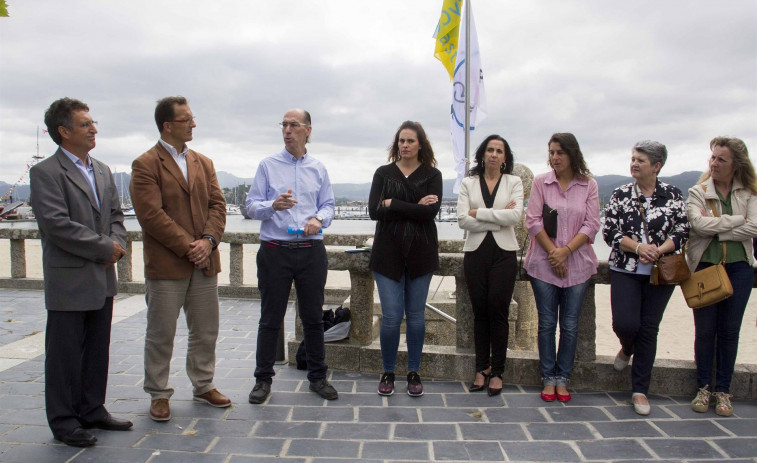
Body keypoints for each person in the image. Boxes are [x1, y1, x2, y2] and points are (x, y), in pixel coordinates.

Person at [31, 98, 132, 447]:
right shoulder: (45, 173)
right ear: (64, 131)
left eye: (93, 122)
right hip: (69, 278)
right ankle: (63, 421)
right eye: (86, 124)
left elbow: (117, 217)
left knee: (96, 350)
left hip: (102, 277)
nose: (94, 129)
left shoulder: (103, 170)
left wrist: (116, 243)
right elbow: (57, 226)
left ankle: (92, 409)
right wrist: (106, 248)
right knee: (64, 355)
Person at [130, 96, 230, 422]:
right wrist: (190, 246)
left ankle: (203, 384)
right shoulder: (145, 164)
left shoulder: (204, 162)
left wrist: (209, 241)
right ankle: (158, 393)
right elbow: (150, 215)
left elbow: (218, 206)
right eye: (187, 119)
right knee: (161, 332)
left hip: (204, 262)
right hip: (167, 264)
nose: (193, 123)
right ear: (167, 125)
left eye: (193, 118)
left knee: (206, 330)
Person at [246, 108, 338, 404]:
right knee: (270, 318)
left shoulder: (319, 168)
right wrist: (273, 205)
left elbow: (329, 206)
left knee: (313, 317)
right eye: (283, 124)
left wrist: (319, 220)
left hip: (311, 250)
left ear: (308, 130)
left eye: (293, 125)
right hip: (275, 250)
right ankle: (262, 379)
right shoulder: (267, 165)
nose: (287, 130)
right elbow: (250, 206)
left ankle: (318, 377)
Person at [602, 140, 688, 415]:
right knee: (625, 323)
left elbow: (682, 230)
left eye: (641, 160)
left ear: (657, 165)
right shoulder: (620, 194)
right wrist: (638, 247)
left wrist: (658, 250)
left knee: (649, 329)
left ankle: (640, 390)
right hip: (625, 269)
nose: (634, 163)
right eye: (633, 158)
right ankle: (626, 348)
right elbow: (609, 232)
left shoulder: (672, 194)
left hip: (660, 274)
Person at [524, 133, 600, 403]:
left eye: (560, 152)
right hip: (543, 264)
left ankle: (563, 377)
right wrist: (554, 253)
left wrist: (565, 252)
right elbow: (533, 221)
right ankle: (548, 376)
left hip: (578, 264)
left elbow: (591, 225)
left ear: (572, 154)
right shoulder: (541, 183)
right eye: (551, 152)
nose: (554, 157)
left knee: (569, 325)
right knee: (546, 324)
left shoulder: (588, 185)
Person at [369, 121, 442, 397]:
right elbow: (374, 210)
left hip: (421, 253)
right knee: (390, 317)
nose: (405, 145)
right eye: (401, 141)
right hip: (387, 253)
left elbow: (430, 213)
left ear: (420, 144)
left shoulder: (432, 175)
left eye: (410, 141)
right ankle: (388, 370)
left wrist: (393, 203)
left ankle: (413, 371)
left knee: (415, 317)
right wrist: (413, 206)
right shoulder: (383, 173)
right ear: (396, 144)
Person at [686, 137, 757, 416]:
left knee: (729, 332)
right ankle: (703, 388)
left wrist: (718, 229)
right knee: (705, 332)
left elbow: (755, 228)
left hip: (739, 268)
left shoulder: (749, 194)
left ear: (736, 165)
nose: (714, 163)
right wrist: (737, 221)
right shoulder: (698, 191)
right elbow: (697, 223)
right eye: (712, 158)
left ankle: (723, 391)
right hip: (705, 266)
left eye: (721, 159)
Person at [457, 135, 523, 396]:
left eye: (499, 151)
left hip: (504, 254)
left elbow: (515, 216)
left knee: (498, 310)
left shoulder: (514, 182)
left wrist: (479, 213)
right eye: (490, 150)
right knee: (480, 312)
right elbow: (463, 220)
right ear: (482, 154)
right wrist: (499, 219)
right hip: (476, 253)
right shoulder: (468, 183)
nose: (494, 154)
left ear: (505, 157)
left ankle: (498, 371)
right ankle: (481, 367)